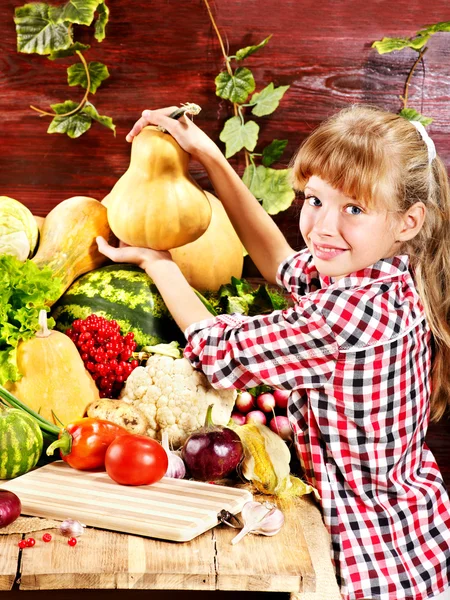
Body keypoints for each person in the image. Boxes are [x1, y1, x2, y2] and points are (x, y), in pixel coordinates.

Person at [96, 104, 450, 600]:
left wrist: (158, 262)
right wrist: (210, 157)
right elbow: (282, 263)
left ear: (408, 222)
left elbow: (215, 349)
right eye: (313, 199)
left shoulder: (350, 317)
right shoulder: (380, 274)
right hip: (407, 513)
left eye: (354, 209)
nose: (323, 227)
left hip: (373, 547)